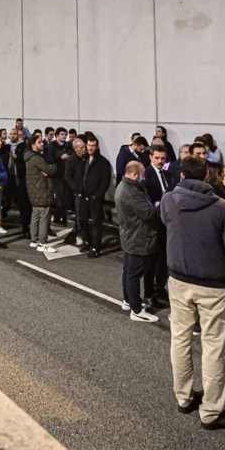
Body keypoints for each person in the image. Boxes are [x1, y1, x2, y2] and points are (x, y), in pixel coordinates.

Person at [161, 157, 225, 430]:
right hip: (212, 286)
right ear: (208, 175)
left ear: (183, 175)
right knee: (212, 348)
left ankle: (184, 397)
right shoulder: (222, 208)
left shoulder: (168, 200)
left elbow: (166, 224)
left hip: (178, 280)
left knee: (180, 339)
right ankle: (210, 412)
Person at [117, 160, 159, 323]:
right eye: (142, 174)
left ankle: (128, 300)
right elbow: (147, 214)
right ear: (134, 174)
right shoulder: (132, 192)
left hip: (130, 235)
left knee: (128, 271)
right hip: (138, 237)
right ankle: (137, 309)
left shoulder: (123, 186)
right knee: (133, 274)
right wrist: (159, 206)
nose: (143, 178)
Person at [140, 144, 174, 308]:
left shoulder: (167, 174)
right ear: (151, 158)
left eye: (162, 158)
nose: (160, 161)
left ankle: (160, 287)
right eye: (157, 158)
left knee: (165, 259)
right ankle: (148, 293)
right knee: (151, 260)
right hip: (153, 222)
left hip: (167, 223)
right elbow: (144, 199)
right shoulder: (146, 175)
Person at [25, 134, 58, 252]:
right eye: (39, 142)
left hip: (34, 191)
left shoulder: (29, 157)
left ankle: (34, 240)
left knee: (35, 215)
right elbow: (50, 171)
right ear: (33, 145)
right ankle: (42, 243)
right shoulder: (37, 159)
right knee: (44, 216)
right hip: (42, 190)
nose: (42, 144)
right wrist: (52, 166)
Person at [82, 136, 112, 258]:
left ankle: (96, 247)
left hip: (95, 198)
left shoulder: (103, 162)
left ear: (97, 146)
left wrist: (96, 196)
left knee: (96, 223)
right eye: (89, 145)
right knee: (83, 221)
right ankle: (87, 242)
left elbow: (105, 182)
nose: (90, 148)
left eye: (93, 145)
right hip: (84, 196)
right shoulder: (84, 159)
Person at [63, 137, 88, 247]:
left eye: (84, 146)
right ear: (76, 149)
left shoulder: (86, 158)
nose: (85, 149)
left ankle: (85, 234)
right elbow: (67, 177)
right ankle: (79, 235)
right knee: (79, 215)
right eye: (82, 147)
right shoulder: (72, 160)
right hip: (78, 192)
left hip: (87, 191)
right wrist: (76, 189)